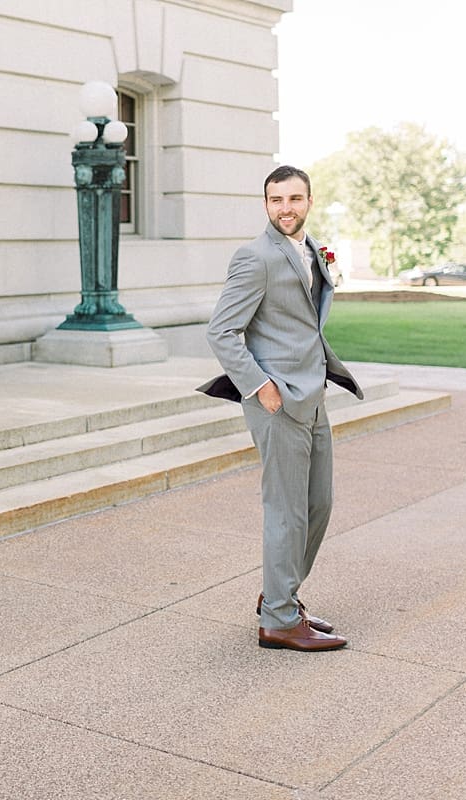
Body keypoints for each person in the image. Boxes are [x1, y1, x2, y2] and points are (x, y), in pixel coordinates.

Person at [197, 165, 362, 652]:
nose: (285, 208)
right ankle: (279, 620)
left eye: (294, 199)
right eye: (276, 200)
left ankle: (280, 593)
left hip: (313, 394)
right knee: (286, 511)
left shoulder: (313, 250)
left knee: (317, 505)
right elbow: (221, 331)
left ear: (309, 201)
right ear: (266, 204)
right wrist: (262, 387)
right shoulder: (255, 256)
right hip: (278, 400)